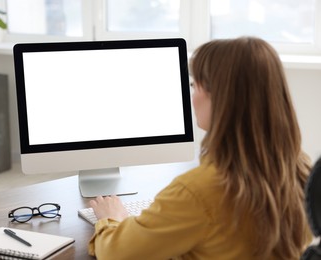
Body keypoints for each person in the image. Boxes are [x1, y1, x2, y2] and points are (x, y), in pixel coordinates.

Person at [88, 37, 312, 259]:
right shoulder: (300, 169)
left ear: (219, 97)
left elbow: (116, 253)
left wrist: (111, 219)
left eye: (194, 85)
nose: (192, 95)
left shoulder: (198, 191)